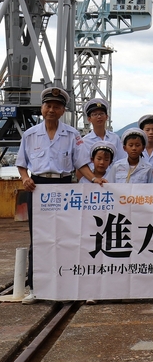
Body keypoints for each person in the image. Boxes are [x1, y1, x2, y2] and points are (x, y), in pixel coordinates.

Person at [16, 86, 98, 304]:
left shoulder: (72, 135)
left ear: (63, 111)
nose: (51, 110)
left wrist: (95, 179)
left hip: (63, 187)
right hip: (39, 187)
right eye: (48, 106)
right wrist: (25, 178)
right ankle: (36, 287)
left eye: (57, 107)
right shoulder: (30, 135)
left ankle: (68, 286)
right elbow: (22, 164)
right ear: (42, 108)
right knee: (39, 237)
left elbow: (81, 164)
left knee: (67, 237)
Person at [79, 98, 125, 170]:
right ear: (89, 119)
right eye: (95, 114)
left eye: (101, 114)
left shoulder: (115, 138)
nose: (99, 117)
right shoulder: (85, 141)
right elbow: (83, 164)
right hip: (94, 179)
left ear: (106, 117)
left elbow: (122, 159)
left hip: (114, 179)